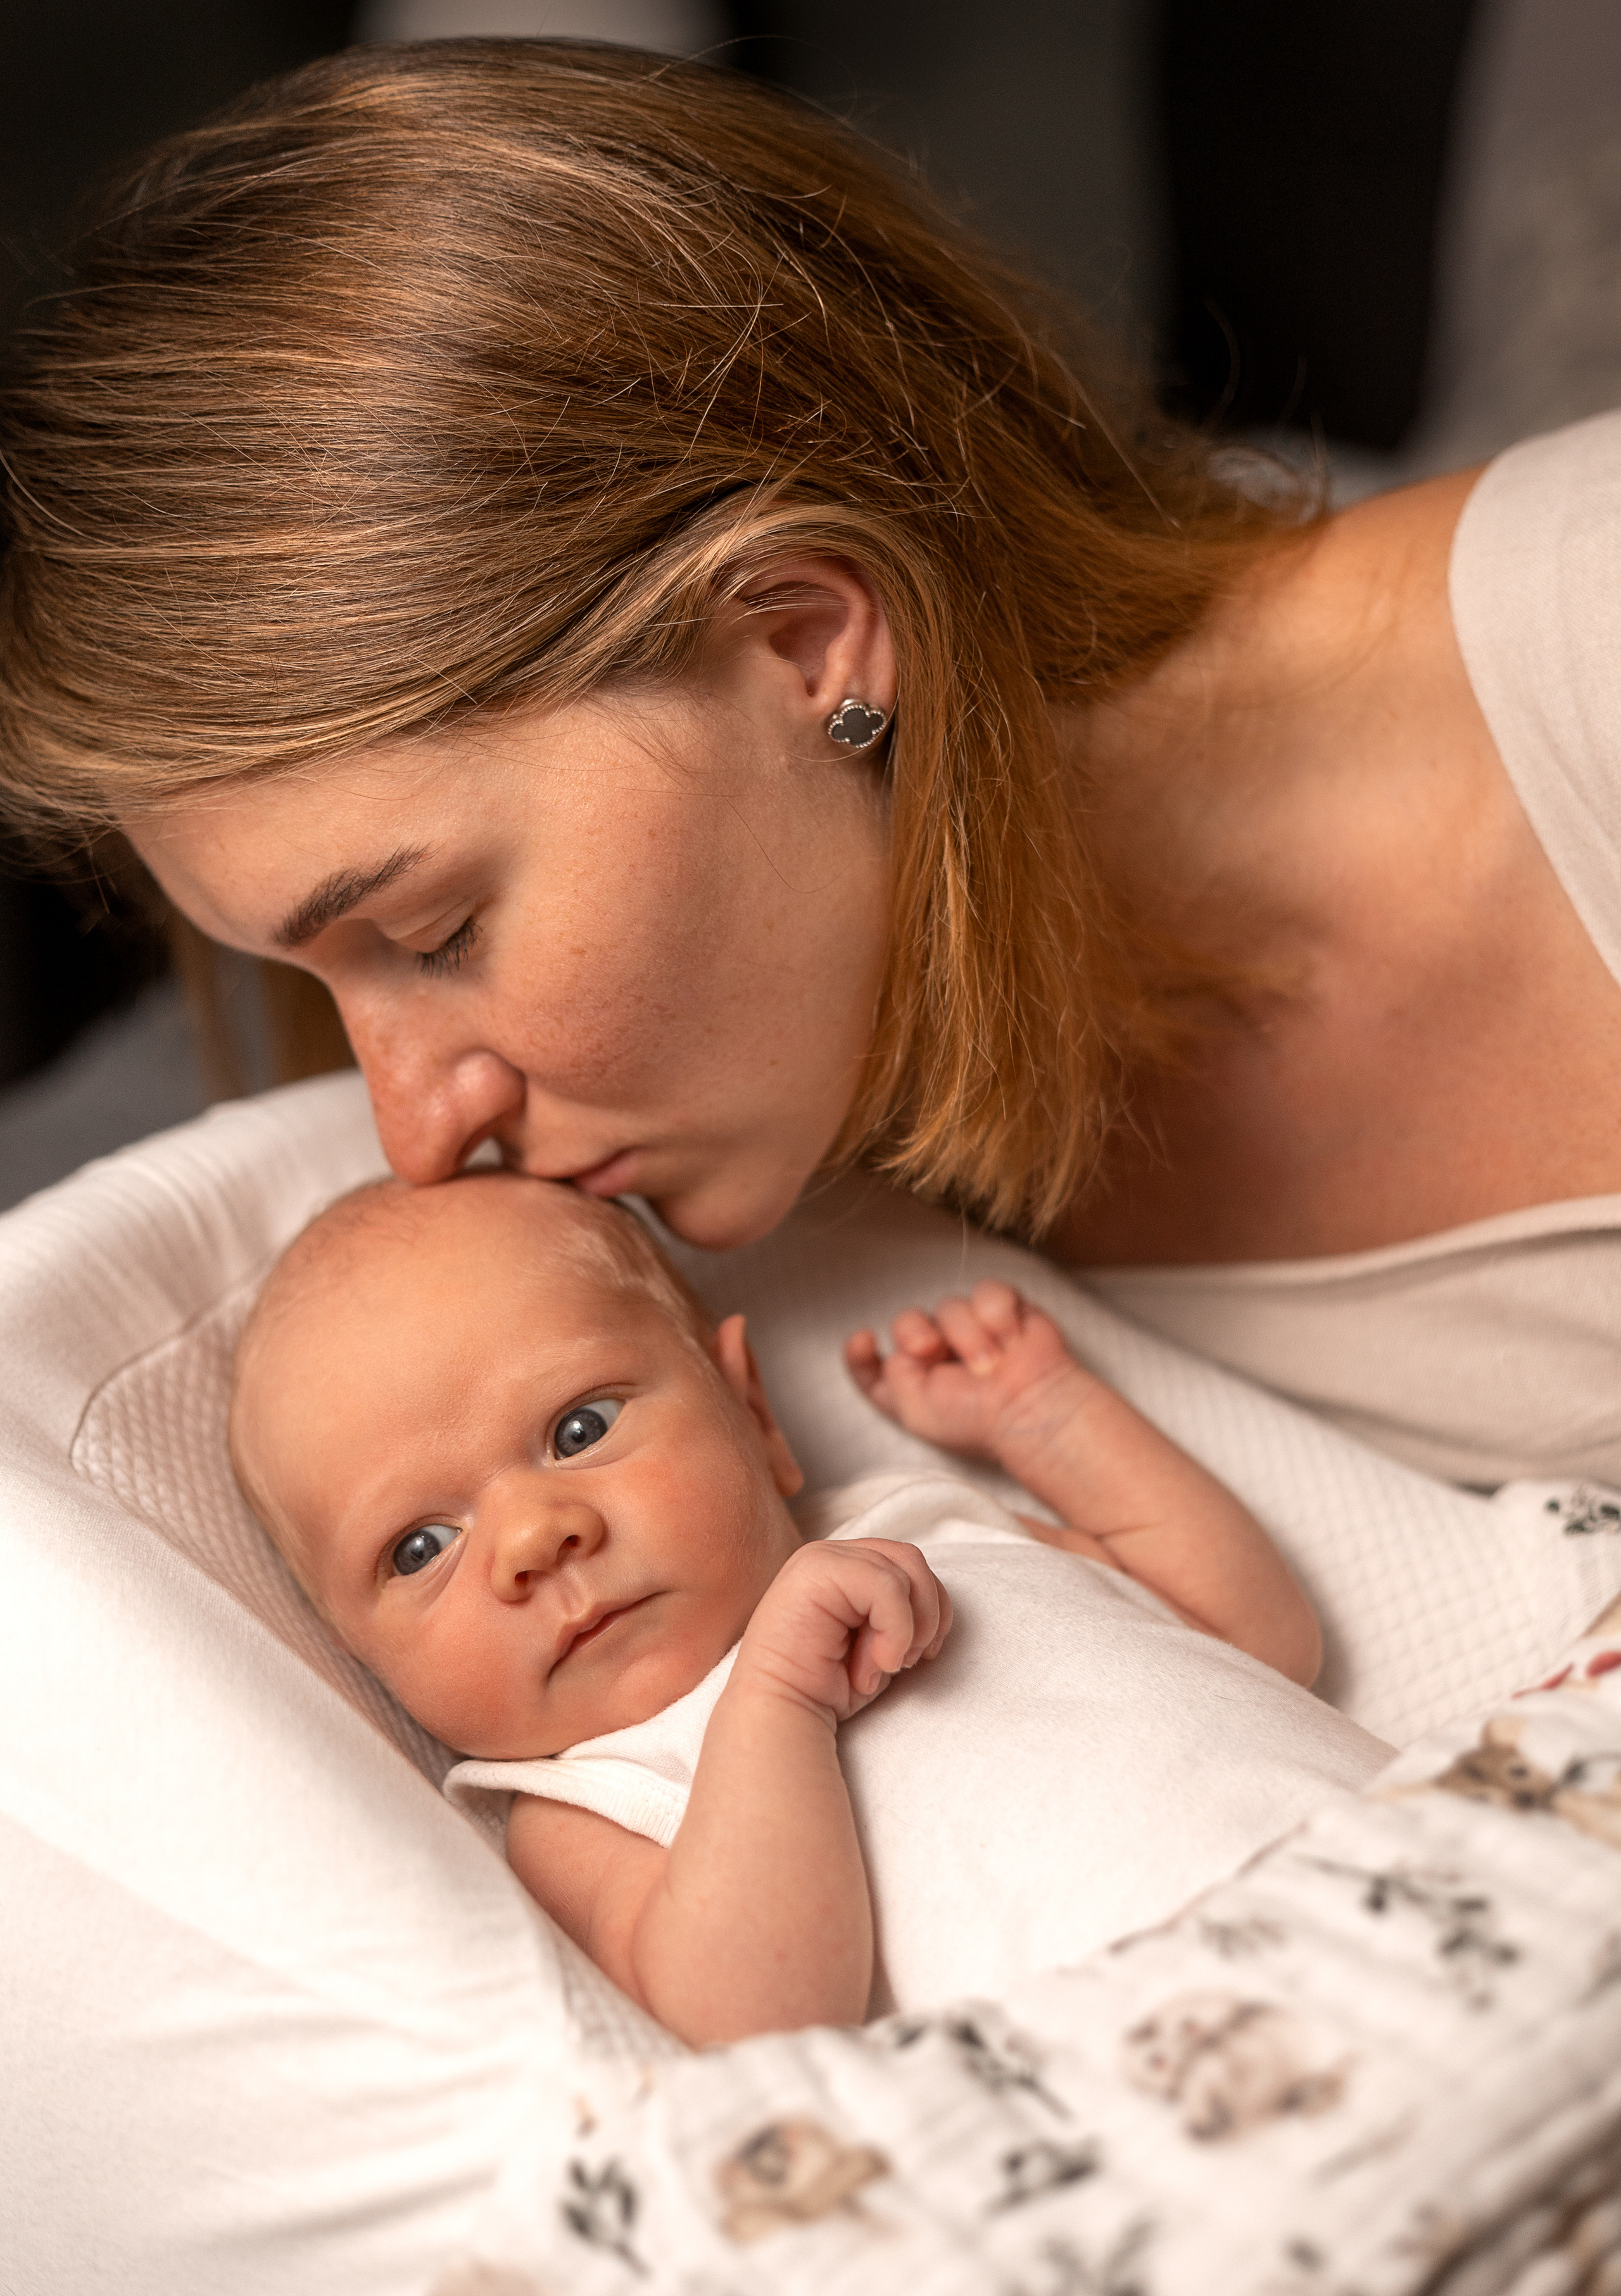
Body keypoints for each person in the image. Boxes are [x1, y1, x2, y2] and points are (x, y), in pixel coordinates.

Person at [4, 39, 1620, 1496]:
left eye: (436, 936)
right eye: (321, 977)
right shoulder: (820, 1169)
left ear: (803, 640)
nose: (418, 1136)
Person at [227, 1169, 1334, 2044]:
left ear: (751, 1409)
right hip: (1170, 2045)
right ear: (356, 1653)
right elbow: (746, 2016)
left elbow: (1256, 1636)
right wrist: (777, 1701)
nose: (531, 1537)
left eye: (580, 1430)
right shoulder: (581, 1807)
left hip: (1381, 1852)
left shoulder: (925, 1523)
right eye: (421, 1547)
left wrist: (1054, 1420)